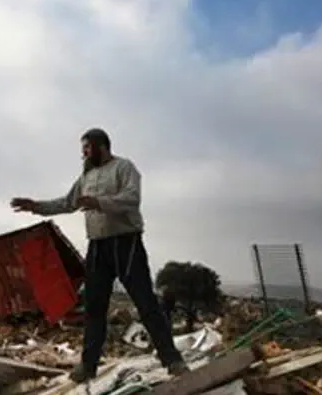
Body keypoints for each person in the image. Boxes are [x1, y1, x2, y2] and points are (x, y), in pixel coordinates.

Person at [10, 128, 189, 383]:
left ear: (101, 146)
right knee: (94, 308)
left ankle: (173, 361)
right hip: (97, 247)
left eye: (86, 148)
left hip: (126, 244)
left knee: (146, 303)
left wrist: (99, 202)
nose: (83, 154)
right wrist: (36, 206)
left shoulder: (124, 167)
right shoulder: (86, 175)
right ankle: (88, 366)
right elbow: (67, 203)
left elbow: (132, 198)